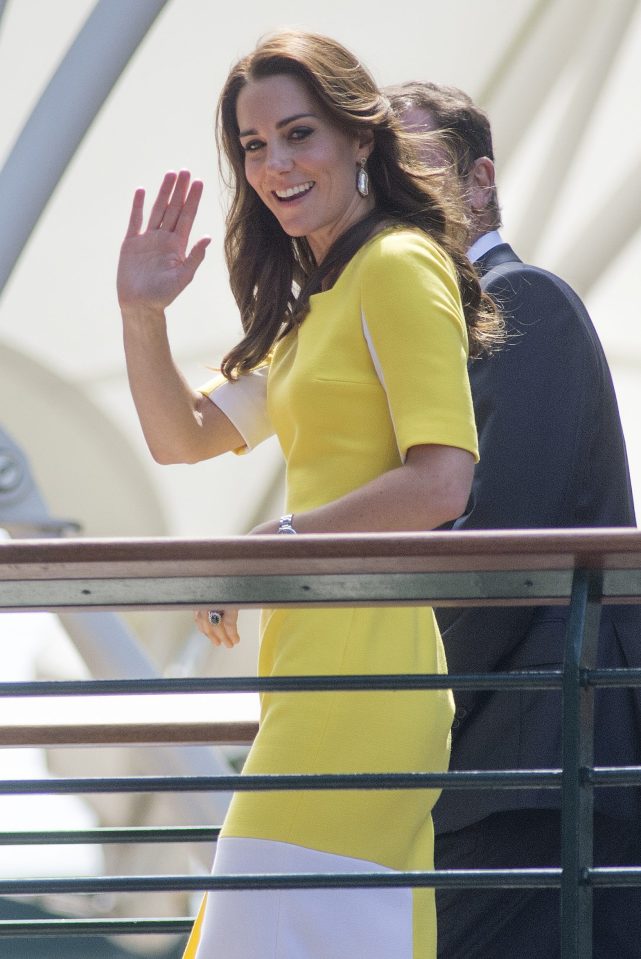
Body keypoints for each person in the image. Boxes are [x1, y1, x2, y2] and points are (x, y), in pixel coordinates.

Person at [116, 33, 504, 959]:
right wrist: (142, 315)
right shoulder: (315, 305)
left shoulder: (400, 264)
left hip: (372, 685)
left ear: (359, 139)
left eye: (298, 134)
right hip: (313, 683)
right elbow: (185, 437)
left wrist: (272, 545)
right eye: (254, 146)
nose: (275, 165)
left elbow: (442, 477)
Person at [387, 81, 641, 959]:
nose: (400, 197)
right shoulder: (444, 332)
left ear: (481, 179)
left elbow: (499, 549)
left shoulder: (520, 302)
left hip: (538, 779)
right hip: (507, 778)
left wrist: (373, 661)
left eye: (417, 166)